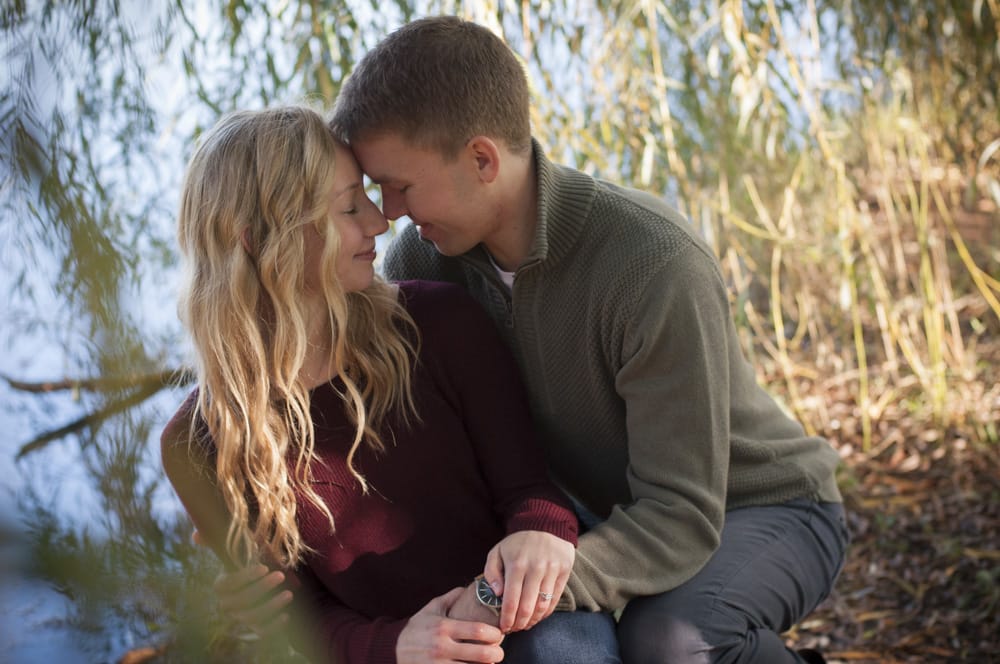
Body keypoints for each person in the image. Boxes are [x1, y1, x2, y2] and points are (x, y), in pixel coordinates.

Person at [326, 15, 849, 664]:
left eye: (399, 185)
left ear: (482, 159)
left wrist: (501, 594)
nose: (388, 211)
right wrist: (271, 549)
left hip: (762, 506)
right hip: (605, 514)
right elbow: (363, 407)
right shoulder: (425, 262)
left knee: (668, 642)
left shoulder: (651, 262)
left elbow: (681, 514)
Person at [161, 105, 622, 664]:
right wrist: (399, 644)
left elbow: (531, 493)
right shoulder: (199, 444)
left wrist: (491, 594)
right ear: (258, 240)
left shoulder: (438, 323)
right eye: (349, 207)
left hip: (525, 622)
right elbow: (297, 620)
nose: (379, 223)